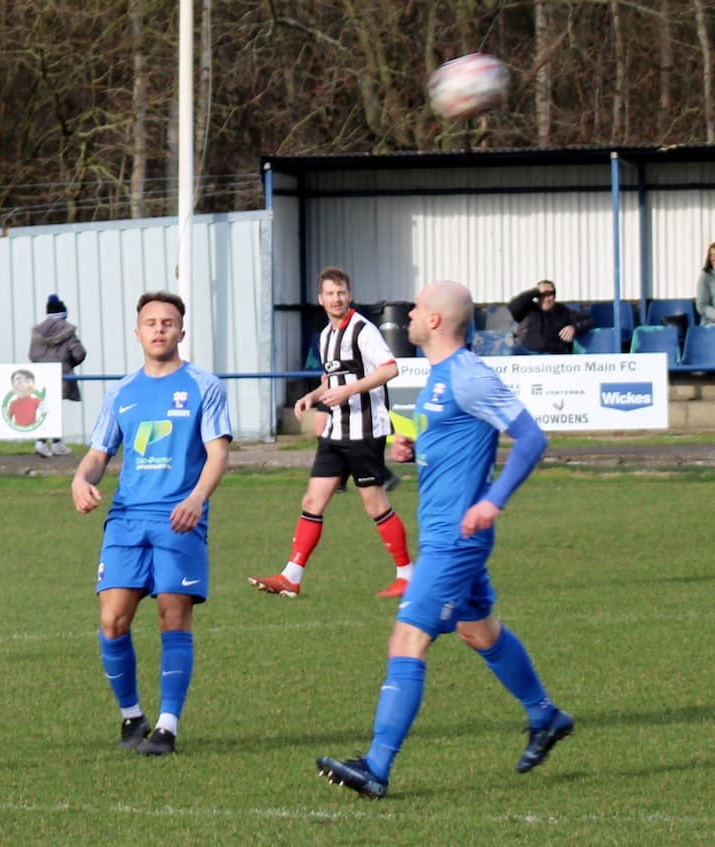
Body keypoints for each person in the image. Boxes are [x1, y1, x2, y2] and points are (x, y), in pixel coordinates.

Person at [316, 279, 572, 800]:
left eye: (417, 308)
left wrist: (492, 501)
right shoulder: (440, 375)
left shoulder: (469, 375)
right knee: (480, 631)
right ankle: (545, 715)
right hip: (444, 534)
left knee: (407, 638)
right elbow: (459, 437)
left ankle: (376, 766)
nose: (409, 314)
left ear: (434, 320)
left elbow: (532, 438)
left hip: (455, 539)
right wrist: (416, 447)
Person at [71, 290, 232, 756]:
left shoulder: (204, 386)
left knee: (172, 616)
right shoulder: (121, 393)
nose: (159, 329)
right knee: (112, 620)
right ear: (137, 332)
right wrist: (80, 479)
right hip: (126, 520)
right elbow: (99, 454)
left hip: (179, 518)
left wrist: (197, 499)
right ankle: (132, 716)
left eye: (168, 323)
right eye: (151, 323)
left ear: (181, 331)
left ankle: (166, 726)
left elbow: (218, 453)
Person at [249, 267, 412, 599]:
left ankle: (407, 575)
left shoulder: (363, 330)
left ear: (349, 295)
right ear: (320, 299)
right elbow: (332, 379)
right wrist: (311, 397)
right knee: (312, 500)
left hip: (365, 430)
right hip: (336, 431)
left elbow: (390, 368)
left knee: (375, 505)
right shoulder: (325, 336)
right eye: (330, 293)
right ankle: (291, 576)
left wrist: (349, 391)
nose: (336, 299)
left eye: (341, 293)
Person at [29, 293, 87, 457]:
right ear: (63, 314)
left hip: (41, 374)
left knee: (46, 407)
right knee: (53, 408)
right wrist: (68, 364)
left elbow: (32, 355)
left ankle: (55, 442)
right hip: (60, 374)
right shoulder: (68, 332)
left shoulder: (37, 332)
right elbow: (79, 354)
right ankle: (43, 442)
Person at [507, 280, 594, 354]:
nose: (547, 299)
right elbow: (512, 306)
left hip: (554, 358)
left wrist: (574, 328)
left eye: (550, 294)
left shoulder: (563, 311)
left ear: (554, 296)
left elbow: (588, 321)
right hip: (527, 356)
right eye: (543, 294)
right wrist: (535, 291)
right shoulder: (528, 309)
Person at [697, 242, 715, 326]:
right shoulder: (705, 276)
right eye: (711, 255)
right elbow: (702, 306)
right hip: (711, 324)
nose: (713, 258)